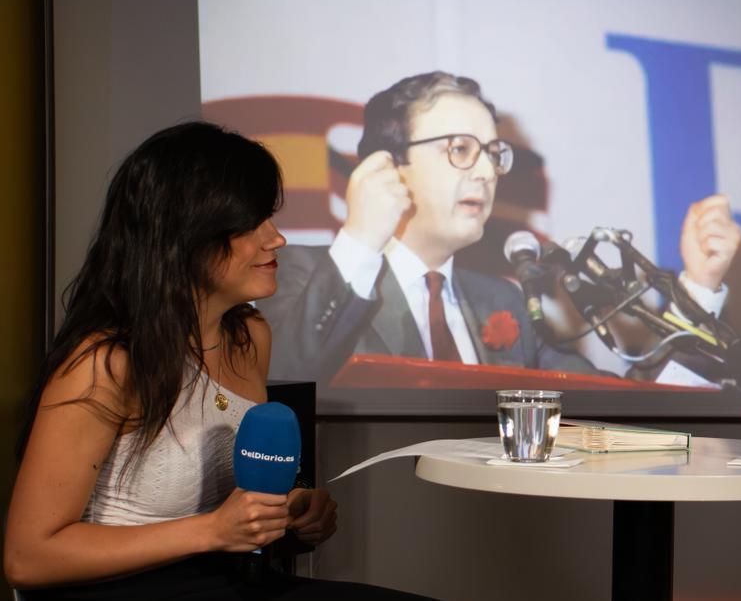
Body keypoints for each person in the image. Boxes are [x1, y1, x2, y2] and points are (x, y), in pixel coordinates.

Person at [4, 123, 425, 599]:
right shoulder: (105, 364)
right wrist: (212, 531)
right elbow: (28, 558)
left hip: (230, 579)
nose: (276, 239)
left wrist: (291, 506)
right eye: (251, 223)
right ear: (185, 236)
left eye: (270, 218)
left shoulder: (249, 337)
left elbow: (227, 499)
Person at [259, 71, 741, 384]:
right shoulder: (298, 273)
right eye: (461, 149)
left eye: (493, 154)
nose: (488, 172)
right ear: (389, 166)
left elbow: (622, 417)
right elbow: (280, 382)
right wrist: (362, 239)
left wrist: (699, 289)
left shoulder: (506, 302)